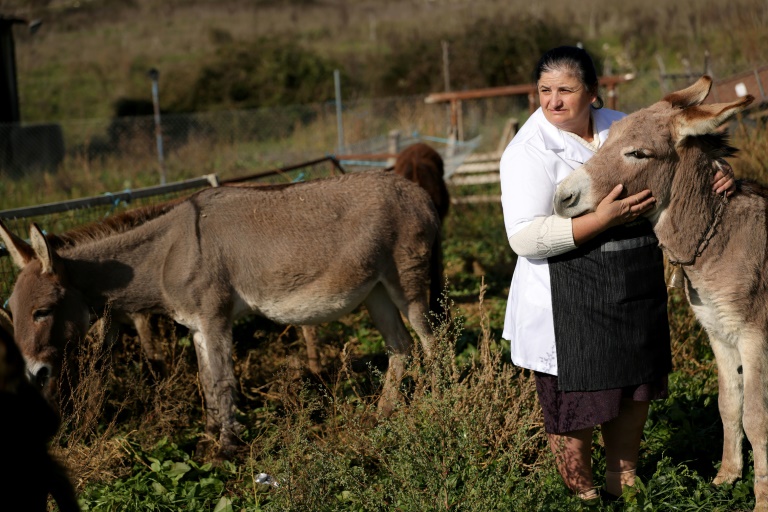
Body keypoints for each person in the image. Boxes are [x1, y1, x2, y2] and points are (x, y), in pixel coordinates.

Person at [499, 46, 735, 501]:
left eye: (566, 90)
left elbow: (676, 161)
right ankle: (582, 493)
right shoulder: (526, 152)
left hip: (632, 278)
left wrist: (718, 171)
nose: (553, 102)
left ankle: (623, 482)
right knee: (576, 402)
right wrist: (601, 221)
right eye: (544, 91)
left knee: (633, 388)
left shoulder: (622, 126)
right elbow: (525, 238)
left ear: (593, 92)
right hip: (566, 295)